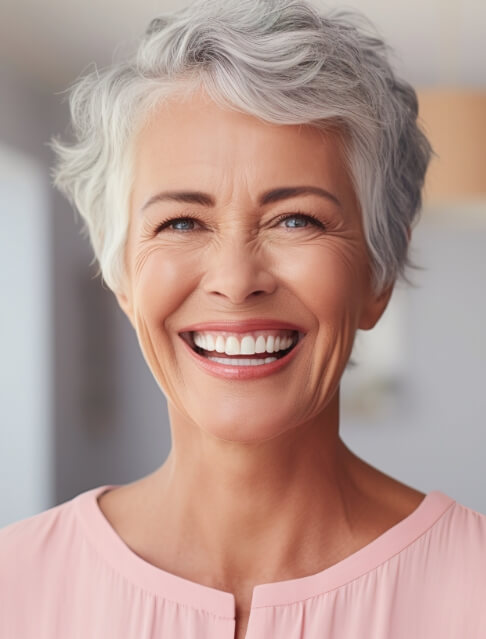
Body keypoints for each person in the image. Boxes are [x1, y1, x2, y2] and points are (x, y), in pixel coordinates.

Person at [1, 0, 485, 637]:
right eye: (181, 222)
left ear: (379, 273)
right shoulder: (15, 585)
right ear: (122, 273)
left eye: (296, 219)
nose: (235, 281)